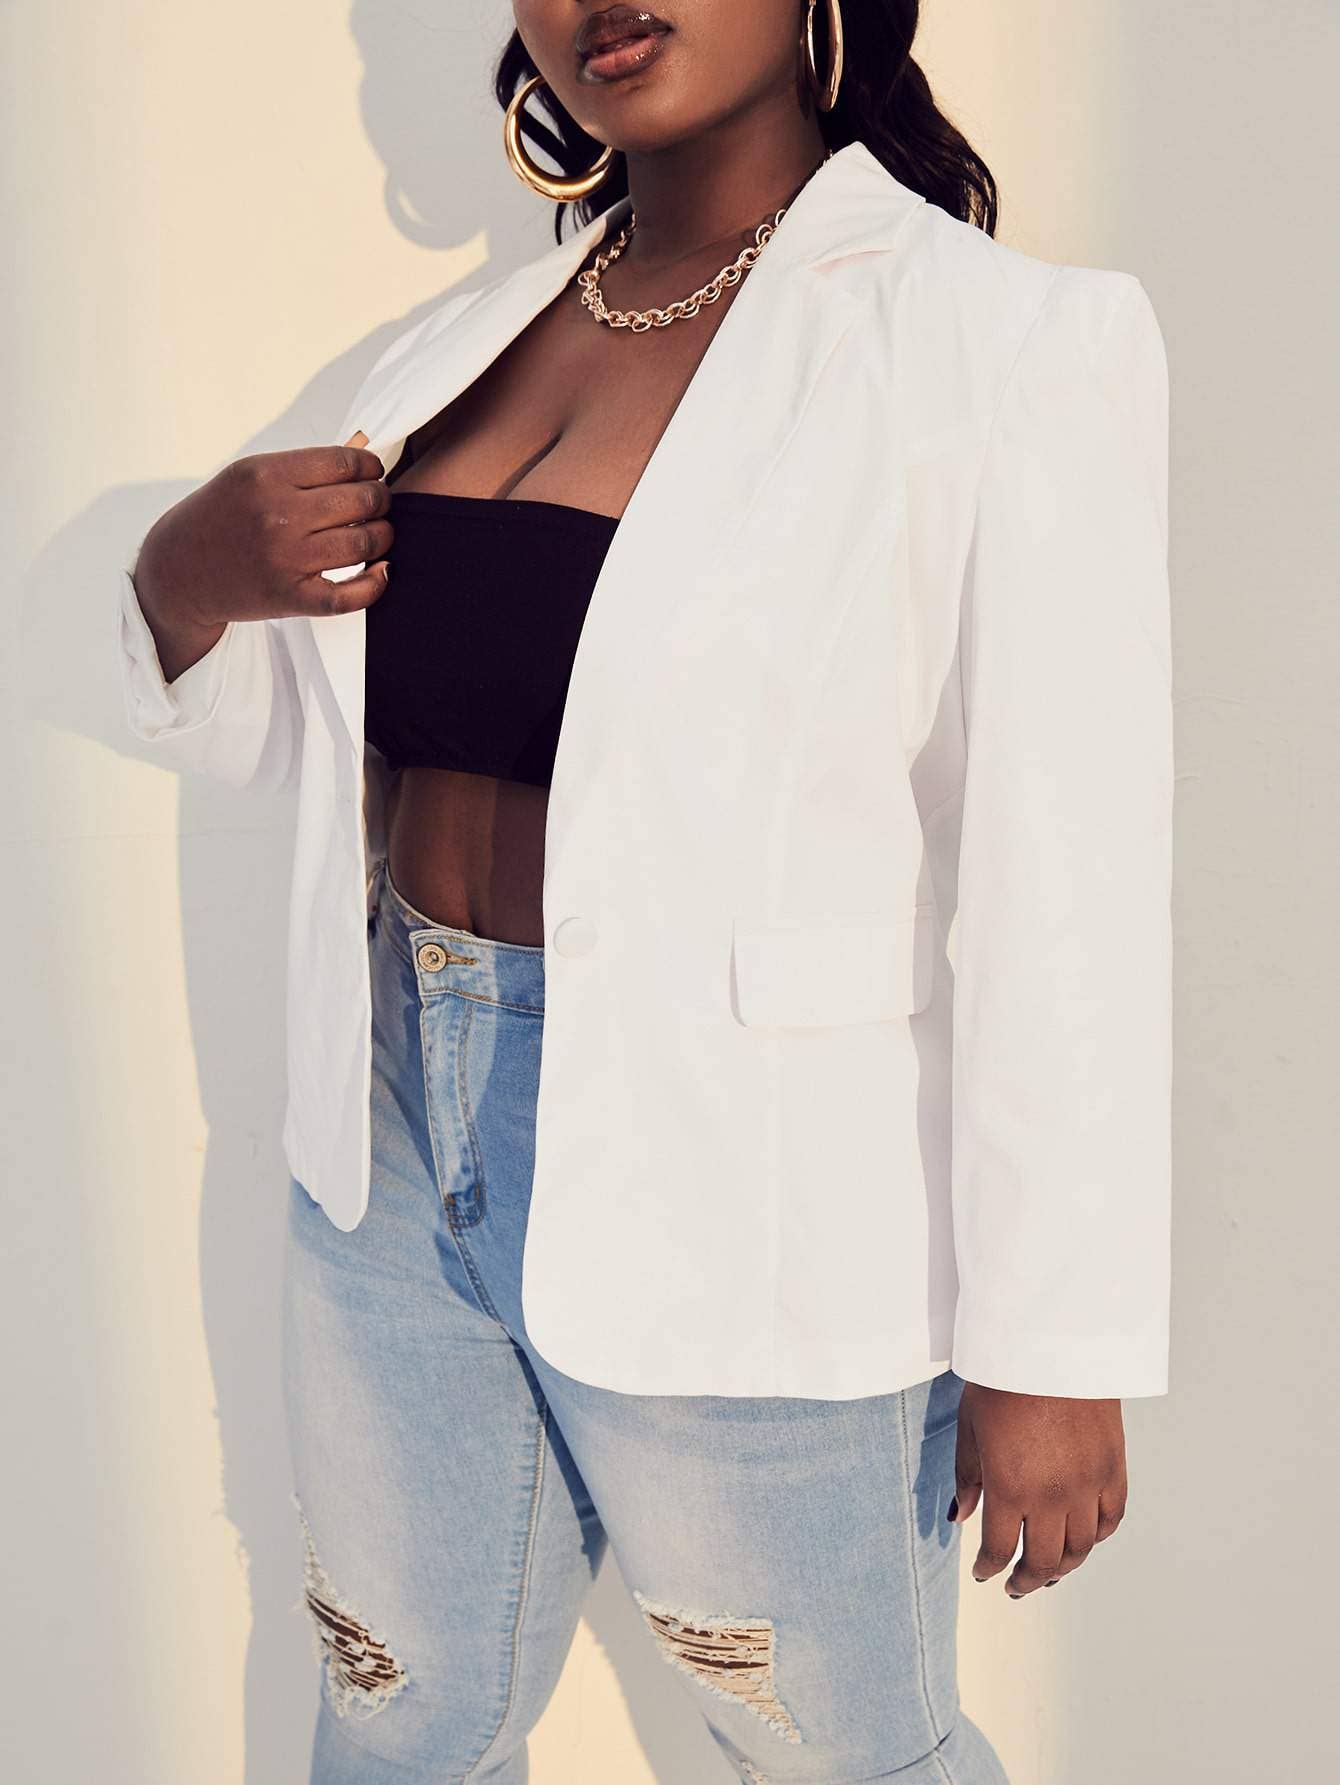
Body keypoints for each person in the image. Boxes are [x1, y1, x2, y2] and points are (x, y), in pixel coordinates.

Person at [117, 2, 1173, 1780]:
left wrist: (1052, 1339)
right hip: (388, 1143)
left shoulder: (999, 343)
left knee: (844, 1756)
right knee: (398, 1721)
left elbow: (1070, 875)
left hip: (740, 1179)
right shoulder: (456, 351)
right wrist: (183, 578)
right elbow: (313, 735)